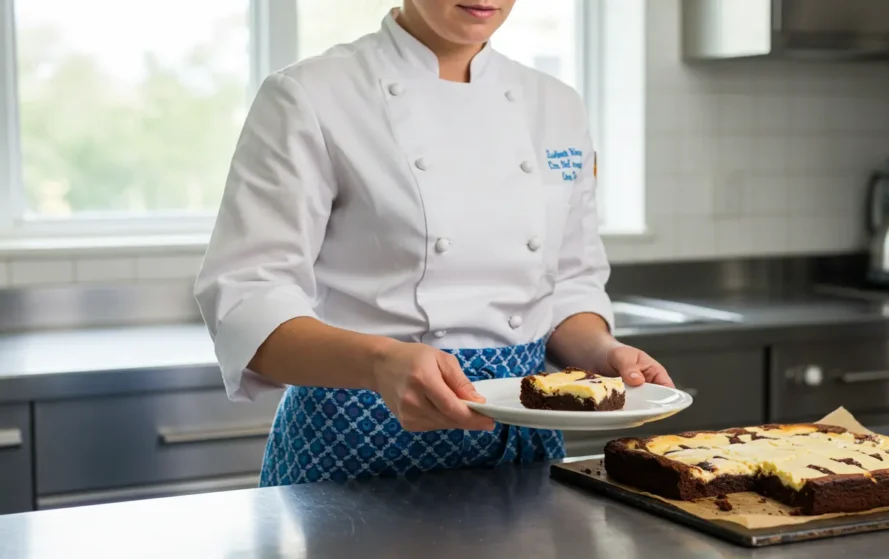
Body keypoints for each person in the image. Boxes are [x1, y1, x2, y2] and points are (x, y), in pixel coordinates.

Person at [194, 0, 674, 487]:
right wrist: (380, 364)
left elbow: (568, 282)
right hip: (355, 444)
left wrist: (600, 351)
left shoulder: (556, 104)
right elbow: (247, 298)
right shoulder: (310, 94)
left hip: (521, 441)